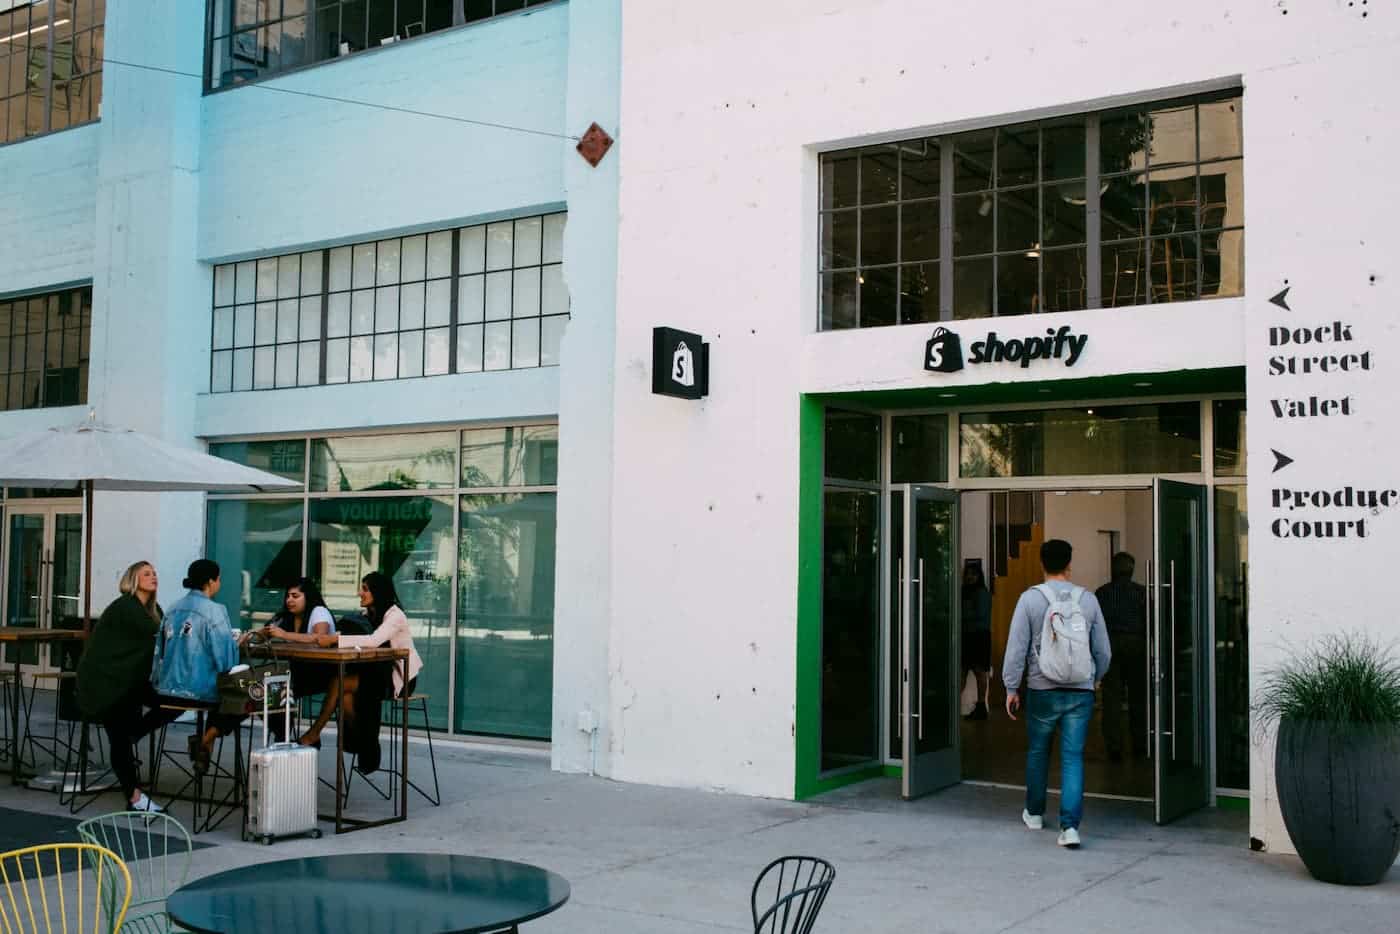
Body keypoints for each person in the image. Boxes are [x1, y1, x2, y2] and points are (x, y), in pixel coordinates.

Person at [1002, 539, 1111, 849]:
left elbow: (1016, 647)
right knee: (1073, 758)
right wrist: (1095, 678)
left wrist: (1012, 686)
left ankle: (1034, 814)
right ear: (1069, 564)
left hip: (1042, 689)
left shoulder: (1030, 600)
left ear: (1041, 564)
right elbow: (1103, 650)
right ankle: (1070, 828)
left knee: (1038, 753)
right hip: (1080, 692)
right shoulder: (1088, 600)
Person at [76, 561, 175, 813]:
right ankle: (135, 798)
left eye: (154, 573)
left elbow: (164, 636)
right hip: (105, 683)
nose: (153, 577)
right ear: (133, 579)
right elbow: (161, 634)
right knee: (119, 738)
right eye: (146, 574)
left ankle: (133, 734)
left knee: (174, 704)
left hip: (130, 681)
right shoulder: (126, 607)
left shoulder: (153, 609)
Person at [296, 571, 423, 751]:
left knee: (339, 682)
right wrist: (332, 637)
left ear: (377, 592)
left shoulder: (396, 616)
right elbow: (354, 634)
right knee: (344, 695)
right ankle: (366, 744)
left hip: (400, 679)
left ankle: (316, 734)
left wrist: (334, 640)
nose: (359, 593)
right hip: (377, 673)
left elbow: (372, 641)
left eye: (365, 589)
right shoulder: (368, 613)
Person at [152, 559, 244, 774]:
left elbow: (160, 652)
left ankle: (204, 748)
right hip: (201, 692)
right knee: (246, 696)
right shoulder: (215, 610)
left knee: (223, 694)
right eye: (219, 579)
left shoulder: (172, 609)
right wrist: (236, 645)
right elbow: (226, 663)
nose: (219, 583)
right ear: (211, 581)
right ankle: (207, 738)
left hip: (167, 690)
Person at [257, 578, 338, 740]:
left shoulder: (318, 611)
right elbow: (261, 635)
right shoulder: (286, 616)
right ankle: (282, 736)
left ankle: (282, 738)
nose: (289, 600)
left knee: (278, 690)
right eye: (287, 596)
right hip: (296, 673)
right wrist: (262, 634)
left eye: (295, 596)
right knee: (261, 689)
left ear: (307, 596)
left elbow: (319, 637)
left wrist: (284, 635)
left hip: (320, 674)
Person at [1096, 552, 1148, 761]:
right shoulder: (1141, 592)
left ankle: (1114, 747)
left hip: (1111, 645)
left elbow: (1096, 624)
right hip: (1136, 645)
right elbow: (1148, 620)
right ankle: (1140, 744)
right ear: (1132, 570)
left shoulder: (1102, 593)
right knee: (1138, 698)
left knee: (1111, 699)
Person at [961, 563, 994, 721]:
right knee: (961, 672)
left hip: (979, 637)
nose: (969, 577)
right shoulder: (963, 592)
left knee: (980, 672)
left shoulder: (982, 593)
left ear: (979, 576)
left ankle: (981, 707)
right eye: (967, 574)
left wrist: (960, 613)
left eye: (973, 574)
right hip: (966, 636)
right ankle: (953, 710)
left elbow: (980, 614)